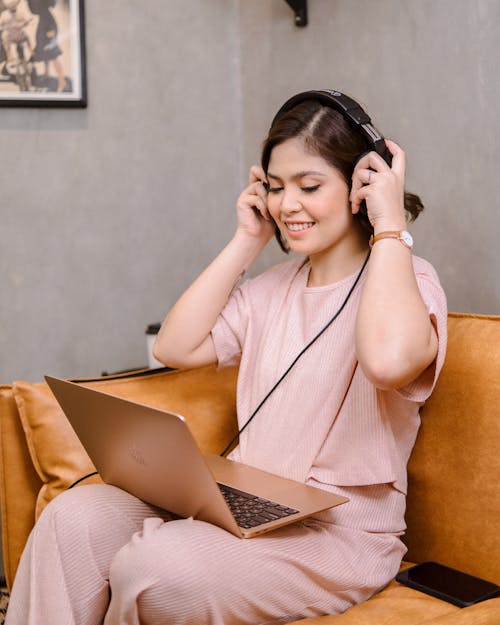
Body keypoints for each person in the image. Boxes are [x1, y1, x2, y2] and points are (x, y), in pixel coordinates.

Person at [5, 90, 447, 625]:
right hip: (243, 503)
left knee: (155, 569)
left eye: (309, 187)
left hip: (340, 535)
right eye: (277, 187)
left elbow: (385, 363)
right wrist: (247, 239)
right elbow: (175, 347)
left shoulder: (409, 280)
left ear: (362, 183)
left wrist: (390, 227)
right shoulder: (270, 287)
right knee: (71, 519)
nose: (288, 205)